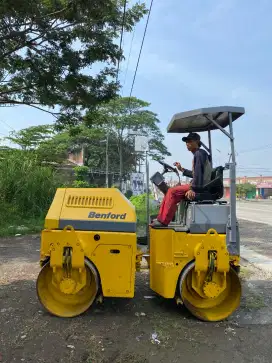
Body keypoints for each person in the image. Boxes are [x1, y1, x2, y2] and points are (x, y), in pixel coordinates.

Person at [151, 132, 212, 227]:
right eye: (186, 141)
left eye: (190, 141)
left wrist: (193, 189)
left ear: (197, 142)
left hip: (200, 187)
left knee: (172, 192)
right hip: (199, 184)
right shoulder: (199, 154)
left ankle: (163, 221)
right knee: (170, 192)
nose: (187, 143)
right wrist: (181, 169)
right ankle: (161, 218)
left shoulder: (199, 154)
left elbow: (199, 174)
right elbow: (195, 174)